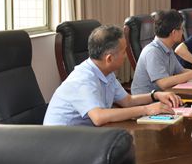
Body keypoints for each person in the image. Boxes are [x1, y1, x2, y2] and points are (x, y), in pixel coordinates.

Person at [44, 25, 181, 126]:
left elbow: (127, 101)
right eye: (123, 52)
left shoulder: (106, 72)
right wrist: (146, 109)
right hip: (62, 143)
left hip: (84, 136)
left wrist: (155, 95)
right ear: (109, 58)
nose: (126, 56)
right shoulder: (83, 78)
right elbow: (99, 117)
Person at [131, 10, 192, 94]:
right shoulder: (152, 52)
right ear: (174, 32)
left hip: (164, 95)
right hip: (146, 99)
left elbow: (180, 71)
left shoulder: (167, 48)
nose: (183, 32)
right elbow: (163, 83)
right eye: (181, 29)